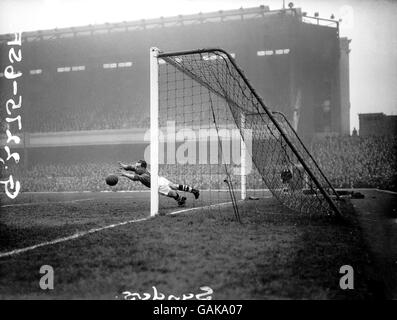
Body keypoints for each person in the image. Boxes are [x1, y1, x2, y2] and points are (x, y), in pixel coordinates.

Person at [118, 160, 200, 206]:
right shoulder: (141, 170)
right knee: (174, 186)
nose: (136, 167)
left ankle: (180, 199)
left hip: (158, 185)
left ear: (143, 167)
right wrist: (124, 166)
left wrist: (124, 174)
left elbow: (134, 178)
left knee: (172, 193)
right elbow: (131, 167)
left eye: (137, 166)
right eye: (136, 166)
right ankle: (194, 191)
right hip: (159, 179)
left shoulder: (144, 176)